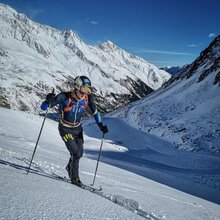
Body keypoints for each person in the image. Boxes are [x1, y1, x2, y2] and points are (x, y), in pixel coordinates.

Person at [40, 75, 108, 187]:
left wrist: (100, 125)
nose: (85, 92)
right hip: (65, 129)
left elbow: (95, 112)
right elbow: (44, 107)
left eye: (88, 89)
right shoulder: (64, 97)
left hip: (78, 129)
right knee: (75, 152)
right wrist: (48, 100)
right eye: (84, 89)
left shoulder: (87, 98)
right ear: (77, 87)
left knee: (80, 153)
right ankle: (74, 178)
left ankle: (69, 167)